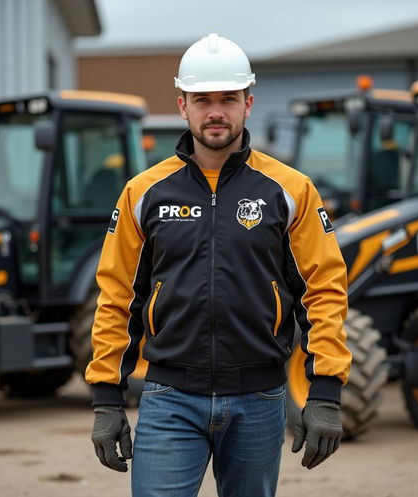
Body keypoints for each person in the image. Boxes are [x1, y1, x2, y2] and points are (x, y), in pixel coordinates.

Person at [86, 33, 352, 497]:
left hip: (260, 400)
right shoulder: (142, 193)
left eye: (227, 99)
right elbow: (117, 296)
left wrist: (325, 390)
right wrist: (107, 398)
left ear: (248, 103)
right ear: (182, 104)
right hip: (169, 400)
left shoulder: (290, 190)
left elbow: (324, 288)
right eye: (202, 99)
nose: (215, 112)